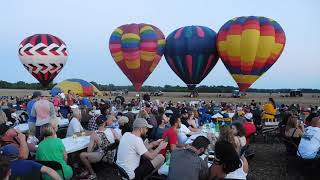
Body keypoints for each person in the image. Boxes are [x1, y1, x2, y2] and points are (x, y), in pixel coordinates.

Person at [79, 115, 120, 179]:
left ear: (96, 123)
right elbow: (120, 140)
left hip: (104, 156)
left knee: (82, 155)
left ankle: (92, 173)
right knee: (97, 150)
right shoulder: (112, 130)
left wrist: (95, 145)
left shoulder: (94, 134)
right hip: (114, 155)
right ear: (104, 123)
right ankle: (87, 170)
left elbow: (89, 150)